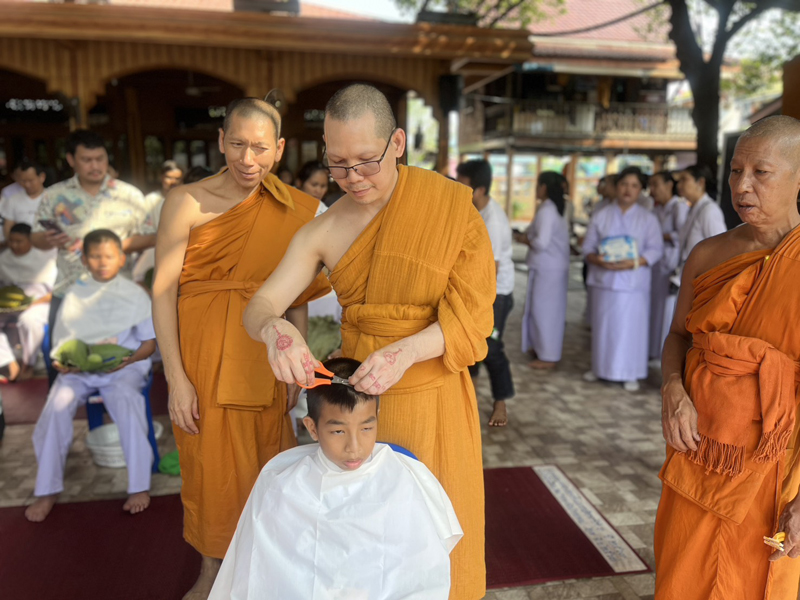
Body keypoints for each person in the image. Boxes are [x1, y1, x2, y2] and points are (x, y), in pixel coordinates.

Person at [243, 83, 494, 600]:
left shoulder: (448, 207)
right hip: (359, 402)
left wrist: (406, 351)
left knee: (437, 542)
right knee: (365, 550)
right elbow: (260, 305)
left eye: (366, 162)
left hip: (434, 394)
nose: (352, 177)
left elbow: (474, 318)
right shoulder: (324, 229)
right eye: (338, 164)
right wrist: (275, 330)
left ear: (397, 143)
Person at [153, 97, 330, 600]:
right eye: (236, 144)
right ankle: (211, 571)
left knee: (267, 458)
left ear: (279, 149)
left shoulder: (296, 208)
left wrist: (297, 370)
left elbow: (297, 297)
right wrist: (176, 378)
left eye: (259, 147)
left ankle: (266, 569)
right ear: (220, 141)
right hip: (202, 360)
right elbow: (163, 292)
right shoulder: (186, 201)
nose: (247, 159)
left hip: (264, 355)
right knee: (209, 467)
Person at [654, 116, 800, 599]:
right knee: (684, 570)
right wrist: (672, 388)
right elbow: (678, 336)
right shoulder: (708, 254)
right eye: (736, 171)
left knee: (758, 576)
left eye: (761, 172)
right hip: (700, 447)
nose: (742, 186)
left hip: (775, 460)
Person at [208, 357, 463, 600]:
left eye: (366, 428)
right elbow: (265, 571)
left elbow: (419, 567)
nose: (354, 447)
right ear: (312, 428)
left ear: (377, 416)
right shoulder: (282, 484)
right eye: (338, 431)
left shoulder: (403, 477)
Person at [24, 229, 156, 522]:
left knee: (127, 402)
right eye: (95, 256)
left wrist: (127, 360)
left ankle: (139, 486)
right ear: (84, 260)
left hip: (125, 368)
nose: (102, 262)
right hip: (81, 371)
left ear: (121, 259)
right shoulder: (75, 295)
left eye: (108, 256)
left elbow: (149, 345)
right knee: (55, 407)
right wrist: (64, 363)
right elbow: (62, 345)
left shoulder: (136, 296)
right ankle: (47, 490)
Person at [31, 130, 155, 339]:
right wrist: (47, 239)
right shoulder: (54, 195)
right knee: (65, 354)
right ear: (71, 160)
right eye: (87, 160)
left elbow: (151, 236)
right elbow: (35, 237)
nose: (95, 166)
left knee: (122, 354)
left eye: (100, 158)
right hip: (69, 291)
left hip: (118, 292)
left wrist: (109, 248)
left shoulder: (129, 194)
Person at [582, 167, 664, 392]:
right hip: (604, 282)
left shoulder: (647, 218)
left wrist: (635, 262)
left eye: (634, 185)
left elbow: (656, 249)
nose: (628, 189)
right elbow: (587, 247)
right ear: (616, 187)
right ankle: (600, 368)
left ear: (640, 191)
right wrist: (597, 260)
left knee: (631, 330)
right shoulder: (601, 215)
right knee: (604, 328)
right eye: (624, 184)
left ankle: (630, 372)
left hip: (633, 284)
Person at [455, 159, 514, 428]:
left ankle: (501, 402)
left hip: (496, 293)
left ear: (478, 189)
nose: (457, 189)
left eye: (462, 185)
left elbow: (493, 268)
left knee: (491, 348)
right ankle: (469, 400)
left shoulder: (494, 221)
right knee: (471, 345)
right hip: (478, 291)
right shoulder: (473, 210)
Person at [516, 171, 570, 371]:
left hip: (549, 269)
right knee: (539, 310)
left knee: (545, 312)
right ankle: (540, 347)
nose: (536, 190)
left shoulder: (548, 210)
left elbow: (541, 242)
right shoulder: (551, 208)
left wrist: (525, 240)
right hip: (548, 267)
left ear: (544, 187)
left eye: (538, 185)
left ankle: (548, 355)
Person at [0, 224, 57, 381]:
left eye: (19, 241)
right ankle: (9, 363)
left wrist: (35, 303)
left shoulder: (46, 259)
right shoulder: (4, 259)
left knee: (29, 320)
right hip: (10, 304)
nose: (14, 245)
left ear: (30, 241)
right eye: (11, 241)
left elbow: (55, 291)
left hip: (41, 301)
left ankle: (28, 365)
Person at [648, 171, 688, 361]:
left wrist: (659, 236)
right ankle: (652, 350)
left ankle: (663, 354)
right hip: (655, 266)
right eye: (651, 185)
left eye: (656, 184)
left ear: (669, 185)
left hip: (671, 266)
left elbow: (682, 235)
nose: (652, 190)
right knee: (654, 310)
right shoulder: (656, 210)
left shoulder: (678, 208)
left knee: (666, 312)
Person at [133, 160, 184, 286]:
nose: (173, 182)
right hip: (154, 248)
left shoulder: (186, 198)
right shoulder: (151, 200)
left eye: (177, 178)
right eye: (169, 177)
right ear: (162, 178)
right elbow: (144, 228)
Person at [676, 164, 727, 267]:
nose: (679, 185)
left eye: (684, 180)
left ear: (700, 182)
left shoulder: (710, 210)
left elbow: (721, 250)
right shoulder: (693, 208)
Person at [0, 159, 48, 240]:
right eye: (23, 181)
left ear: (42, 177)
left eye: (31, 180)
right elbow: (7, 229)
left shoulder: (54, 197)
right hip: (22, 246)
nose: (27, 185)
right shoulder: (13, 200)